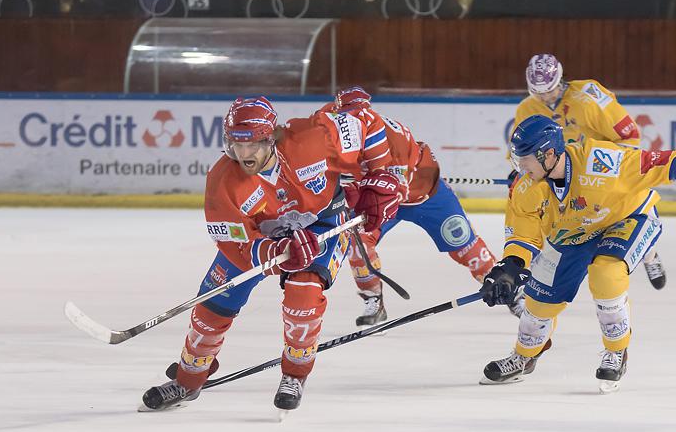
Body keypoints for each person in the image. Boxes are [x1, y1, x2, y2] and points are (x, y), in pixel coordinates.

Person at [140, 96, 403, 412]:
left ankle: (294, 375)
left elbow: (366, 120)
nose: (243, 154)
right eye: (236, 145)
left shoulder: (313, 137)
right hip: (264, 241)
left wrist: (382, 175)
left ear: (269, 139)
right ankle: (188, 380)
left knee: (303, 293)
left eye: (251, 145)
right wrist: (275, 251)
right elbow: (234, 244)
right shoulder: (223, 181)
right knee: (212, 308)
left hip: (323, 224)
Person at [480, 115, 676, 392]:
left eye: (525, 159)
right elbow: (523, 235)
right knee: (539, 301)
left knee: (606, 273)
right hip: (575, 233)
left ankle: (616, 350)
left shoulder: (600, 161)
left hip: (628, 218)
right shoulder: (525, 187)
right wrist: (510, 267)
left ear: (548, 154)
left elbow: (658, 164)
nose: (520, 167)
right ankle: (524, 356)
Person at [321, 86, 499, 327]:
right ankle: (373, 300)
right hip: (377, 194)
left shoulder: (391, 139)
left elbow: (394, 191)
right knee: (357, 244)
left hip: (423, 194)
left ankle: (506, 288)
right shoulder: (332, 124)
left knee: (465, 244)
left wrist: (356, 194)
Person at [510, 53, 667, 291]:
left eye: (549, 91)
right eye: (537, 93)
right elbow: (522, 151)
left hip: (599, 174)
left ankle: (649, 253)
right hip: (562, 181)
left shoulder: (588, 97)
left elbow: (629, 135)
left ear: (560, 80)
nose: (544, 98)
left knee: (625, 216)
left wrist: (615, 171)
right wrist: (519, 173)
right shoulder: (527, 108)